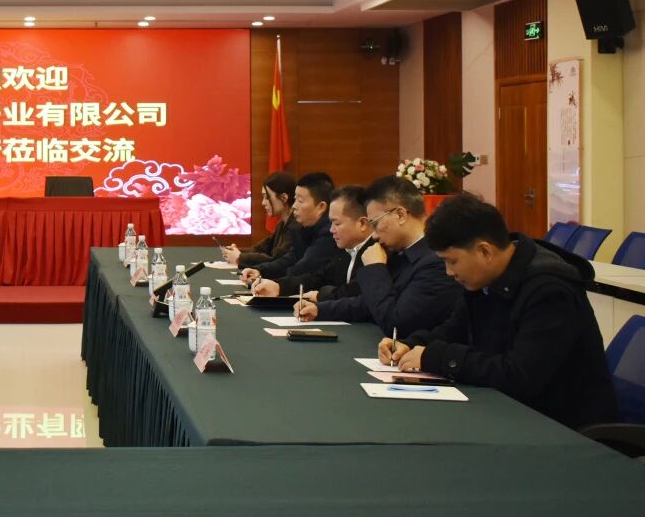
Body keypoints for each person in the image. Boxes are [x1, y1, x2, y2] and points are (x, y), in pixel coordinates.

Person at [381, 193, 618, 429]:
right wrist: (410, 344)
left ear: (485, 251)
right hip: (514, 413)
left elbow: (519, 376)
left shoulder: (550, 292)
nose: (449, 272)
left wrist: (437, 357)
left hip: (564, 427)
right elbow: (455, 329)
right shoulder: (486, 278)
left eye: (452, 261)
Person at [296, 175, 460, 332]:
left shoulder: (436, 261)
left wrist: (375, 268)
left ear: (400, 215)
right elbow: (369, 303)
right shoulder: (401, 253)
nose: (373, 235)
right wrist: (320, 310)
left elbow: (396, 324)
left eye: (375, 224)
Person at [251, 184, 374, 301]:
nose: (332, 229)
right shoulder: (346, 251)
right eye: (331, 223)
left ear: (362, 223)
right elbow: (319, 278)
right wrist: (279, 286)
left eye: (337, 223)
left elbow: (353, 295)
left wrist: (321, 296)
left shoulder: (375, 255)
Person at [240, 172, 342, 283]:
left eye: (300, 201)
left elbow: (303, 269)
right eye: (295, 199)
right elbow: (290, 259)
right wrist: (260, 271)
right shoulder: (304, 227)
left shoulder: (329, 233)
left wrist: (277, 284)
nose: (294, 206)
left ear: (321, 207)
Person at [221, 171, 296, 267]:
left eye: (266, 197)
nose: (263, 203)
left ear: (284, 198)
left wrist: (240, 257)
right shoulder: (282, 223)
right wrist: (236, 252)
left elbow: (276, 260)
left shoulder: (296, 226)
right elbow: (262, 249)